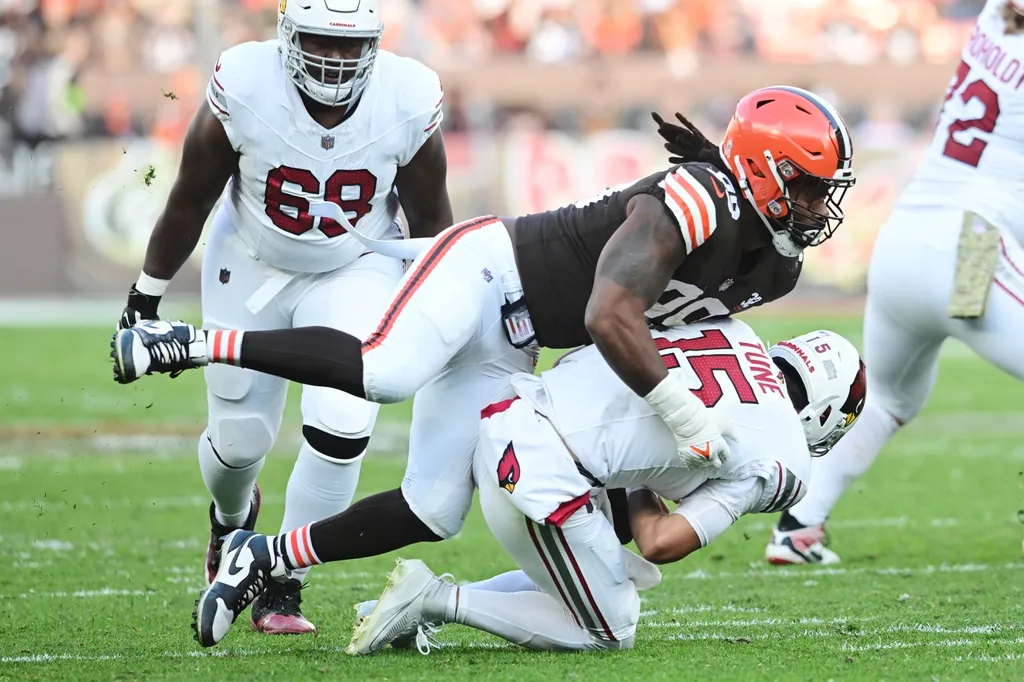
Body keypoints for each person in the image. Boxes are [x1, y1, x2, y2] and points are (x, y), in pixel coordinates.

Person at [112, 87, 857, 630]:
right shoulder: (698, 196)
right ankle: (186, 341)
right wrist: (676, 409)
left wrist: (641, 467)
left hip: (517, 341)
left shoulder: (776, 269)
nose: (823, 207)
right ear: (763, 171)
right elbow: (608, 312)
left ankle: (262, 558)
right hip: (489, 270)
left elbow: (671, 341)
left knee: (434, 509)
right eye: (811, 187)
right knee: (386, 371)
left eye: (828, 191)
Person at [199, 319, 866, 652]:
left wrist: (627, 469)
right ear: (825, 410)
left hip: (519, 406)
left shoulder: (734, 328)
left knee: (619, 571)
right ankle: (435, 600)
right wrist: (633, 485)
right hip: (540, 471)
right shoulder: (783, 460)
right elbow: (662, 539)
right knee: (613, 626)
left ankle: (402, 601)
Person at [114, 0, 453, 633]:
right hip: (250, 261)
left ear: (376, 45)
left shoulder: (407, 97)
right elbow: (190, 198)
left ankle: (279, 580)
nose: (337, 57)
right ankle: (231, 523)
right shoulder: (246, 85)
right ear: (289, 35)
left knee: (346, 419)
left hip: (356, 265)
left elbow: (432, 220)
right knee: (240, 442)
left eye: (352, 44)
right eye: (323, 40)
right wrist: (144, 299)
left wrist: (447, 315)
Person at [765, 0, 1024, 565]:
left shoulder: (992, 23)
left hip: (905, 236)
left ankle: (798, 527)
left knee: (887, 397)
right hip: (971, 242)